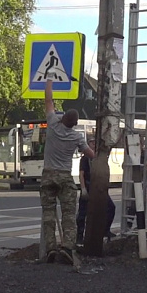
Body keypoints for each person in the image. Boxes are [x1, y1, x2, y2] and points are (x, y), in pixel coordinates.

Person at [40, 77, 95, 265]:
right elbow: (90, 154)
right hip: (64, 177)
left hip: (47, 175)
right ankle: (67, 248)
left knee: (48, 214)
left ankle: (50, 249)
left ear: (63, 118)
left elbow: (48, 101)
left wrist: (49, 81)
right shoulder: (77, 137)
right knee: (69, 214)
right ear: (75, 123)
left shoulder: (53, 124)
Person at [76, 138, 117, 243]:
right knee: (83, 214)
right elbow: (81, 174)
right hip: (88, 187)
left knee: (110, 208)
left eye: (95, 142)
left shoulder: (100, 158)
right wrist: (83, 188)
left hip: (99, 187)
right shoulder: (85, 159)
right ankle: (80, 236)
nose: (93, 145)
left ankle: (105, 230)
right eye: (91, 142)